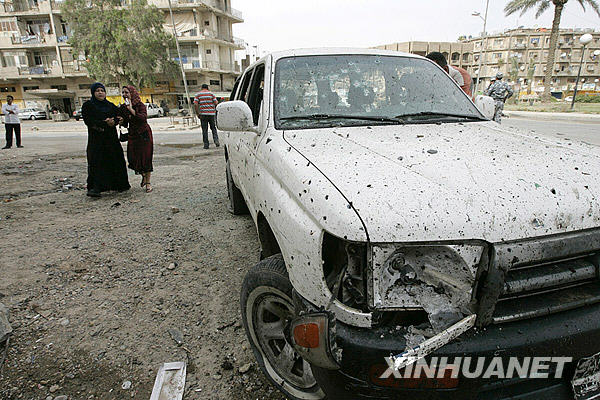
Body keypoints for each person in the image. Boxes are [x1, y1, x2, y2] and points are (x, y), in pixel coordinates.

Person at [82, 82, 130, 197]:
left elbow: (119, 117)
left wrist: (115, 121)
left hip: (111, 139)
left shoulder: (110, 105)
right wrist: (104, 123)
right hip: (96, 139)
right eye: (97, 90)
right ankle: (96, 188)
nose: (100, 93)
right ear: (93, 92)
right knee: (97, 162)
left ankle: (118, 185)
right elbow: (88, 121)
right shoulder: (88, 105)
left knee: (115, 160)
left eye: (102, 91)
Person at [118, 85, 154, 193]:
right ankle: (142, 175)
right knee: (132, 158)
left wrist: (131, 110)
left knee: (146, 158)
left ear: (132, 93)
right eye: (123, 93)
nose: (125, 95)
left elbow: (142, 118)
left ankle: (148, 183)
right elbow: (125, 123)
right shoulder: (123, 107)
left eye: (127, 92)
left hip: (144, 134)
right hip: (133, 135)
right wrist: (121, 121)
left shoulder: (140, 105)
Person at [193, 84, 219, 149]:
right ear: (208, 88)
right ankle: (216, 141)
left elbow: (195, 105)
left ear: (201, 88)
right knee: (213, 128)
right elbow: (216, 103)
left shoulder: (198, 95)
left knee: (204, 130)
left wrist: (198, 114)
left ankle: (206, 145)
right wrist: (215, 111)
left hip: (203, 114)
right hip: (211, 114)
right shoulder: (211, 94)